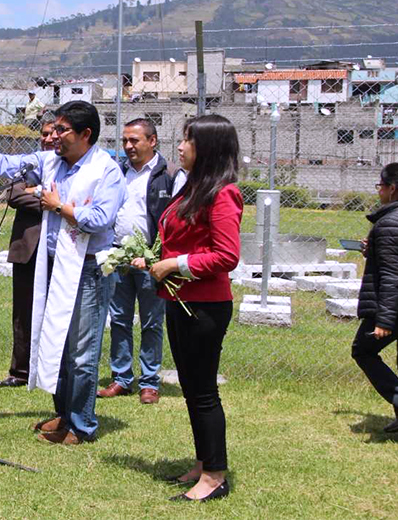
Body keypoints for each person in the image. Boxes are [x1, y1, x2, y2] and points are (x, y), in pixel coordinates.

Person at [0, 100, 127, 445]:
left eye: (63, 130)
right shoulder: (52, 162)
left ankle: (82, 425)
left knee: (81, 350)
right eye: (54, 129)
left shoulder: (106, 170)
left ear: (85, 134)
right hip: (54, 264)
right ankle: (64, 413)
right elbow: (6, 165)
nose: (54, 137)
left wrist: (58, 206)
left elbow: (101, 220)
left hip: (88, 269)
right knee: (57, 344)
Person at [132, 114, 243, 502]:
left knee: (203, 391)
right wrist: (152, 258)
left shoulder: (223, 193)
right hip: (179, 300)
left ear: (208, 148)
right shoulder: (193, 187)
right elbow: (179, 239)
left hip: (205, 306)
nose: (179, 147)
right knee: (193, 388)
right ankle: (203, 461)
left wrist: (174, 265)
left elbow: (227, 256)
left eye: (187, 141)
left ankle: (215, 476)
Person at [97, 118, 175, 405]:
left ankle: (150, 382)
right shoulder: (118, 173)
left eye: (135, 141)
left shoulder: (167, 177)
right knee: (118, 319)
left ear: (152, 141)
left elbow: (172, 222)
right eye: (125, 141)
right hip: (119, 257)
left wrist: (154, 256)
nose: (128, 146)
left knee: (152, 322)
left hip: (151, 262)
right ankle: (121, 378)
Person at [351, 162, 398, 433]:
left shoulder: (390, 222)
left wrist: (384, 319)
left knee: (363, 350)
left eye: (380, 186)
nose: (378, 192)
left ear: (393, 189)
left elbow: (393, 276)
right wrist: (375, 250)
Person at [0, 117, 57, 388]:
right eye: (43, 134)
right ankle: (20, 371)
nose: (47, 139)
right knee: (23, 311)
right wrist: (47, 197)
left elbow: (69, 199)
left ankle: (51, 370)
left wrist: (37, 193)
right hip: (27, 249)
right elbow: (13, 195)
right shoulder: (32, 166)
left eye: (53, 134)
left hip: (59, 249)